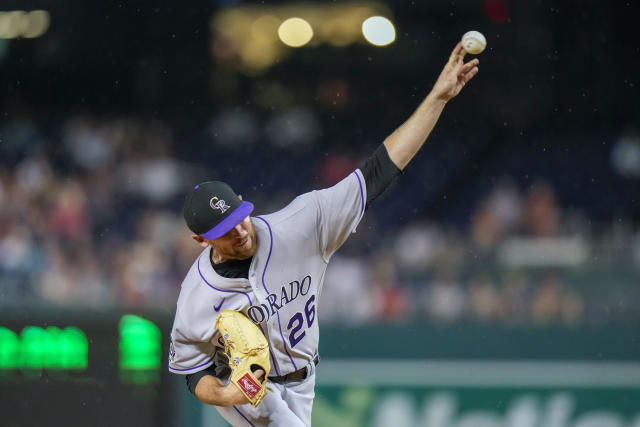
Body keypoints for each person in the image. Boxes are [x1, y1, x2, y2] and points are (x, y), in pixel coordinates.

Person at [168, 43, 479, 426]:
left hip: (304, 380)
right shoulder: (197, 296)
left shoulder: (302, 224)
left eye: (239, 217)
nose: (239, 231)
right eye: (223, 231)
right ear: (201, 240)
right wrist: (229, 393)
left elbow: (378, 171)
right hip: (250, 394)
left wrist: (436, 98)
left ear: (245, 204)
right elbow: (193, 373)